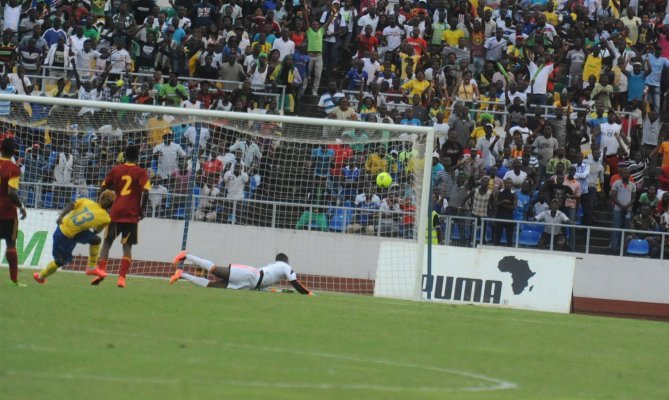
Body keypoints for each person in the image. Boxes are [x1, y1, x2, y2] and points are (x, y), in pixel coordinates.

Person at [89, 145, 150, 288]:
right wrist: (142, 210)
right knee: (127, 246)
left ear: (124, 156)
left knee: (107, 243)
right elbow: (146, 192)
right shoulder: (141, 172)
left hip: (115, 213)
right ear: (137, 157)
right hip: (132, 214)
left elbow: (103, 187)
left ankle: (101, 272)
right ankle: (121, 278)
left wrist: (104, 204)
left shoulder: (116, 170)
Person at [33, 191, 116, 284]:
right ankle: (40, 276)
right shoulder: (106, 218)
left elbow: (71, 204)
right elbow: (97, 231)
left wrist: (61, 216)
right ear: (111, 205)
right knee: (60, 261)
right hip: (64, 236)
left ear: (100, 198)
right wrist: (89, 225)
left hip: (64, 229)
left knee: (96, 240)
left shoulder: (86, 201)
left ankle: (91, 268)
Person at [169, 251, 312, 295]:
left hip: (249, 285)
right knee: (217, 271)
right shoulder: (285, 266)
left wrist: (282, 292)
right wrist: (308, 293)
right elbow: (295, 283)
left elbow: (266, 288)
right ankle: (186, 255)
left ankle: (181, 274)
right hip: (250, 275)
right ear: (286, 261)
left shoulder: (275, 269)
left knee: (211, 285)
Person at [0, 138, 26, 286]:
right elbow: (11, 192)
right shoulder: (13, 169)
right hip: (7, 212)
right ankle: (14, 280)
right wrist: (21, 206)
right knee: (11, 244)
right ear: (13, 152)